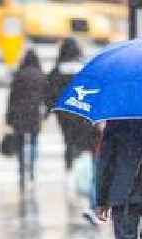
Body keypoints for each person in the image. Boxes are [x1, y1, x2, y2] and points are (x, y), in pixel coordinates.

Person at [46, 37, 97, 171]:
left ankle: (70, 167)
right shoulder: (85, 69)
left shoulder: (57, 70)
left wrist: (53, 109)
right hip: (82, 111)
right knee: (84, 141)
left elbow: (50, 93)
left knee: (69, 141)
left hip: (65, 114)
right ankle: (85, 171)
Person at [6, 49, 47, 186]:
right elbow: (45, 96)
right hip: (34, 113)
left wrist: (9, 116)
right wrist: (45, 113)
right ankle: (32, 169)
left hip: (19, 113)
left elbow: (11, 97)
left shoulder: (19, 75)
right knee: (34, 141)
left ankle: (22, 168)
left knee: (20, 142)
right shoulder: (40, 76)